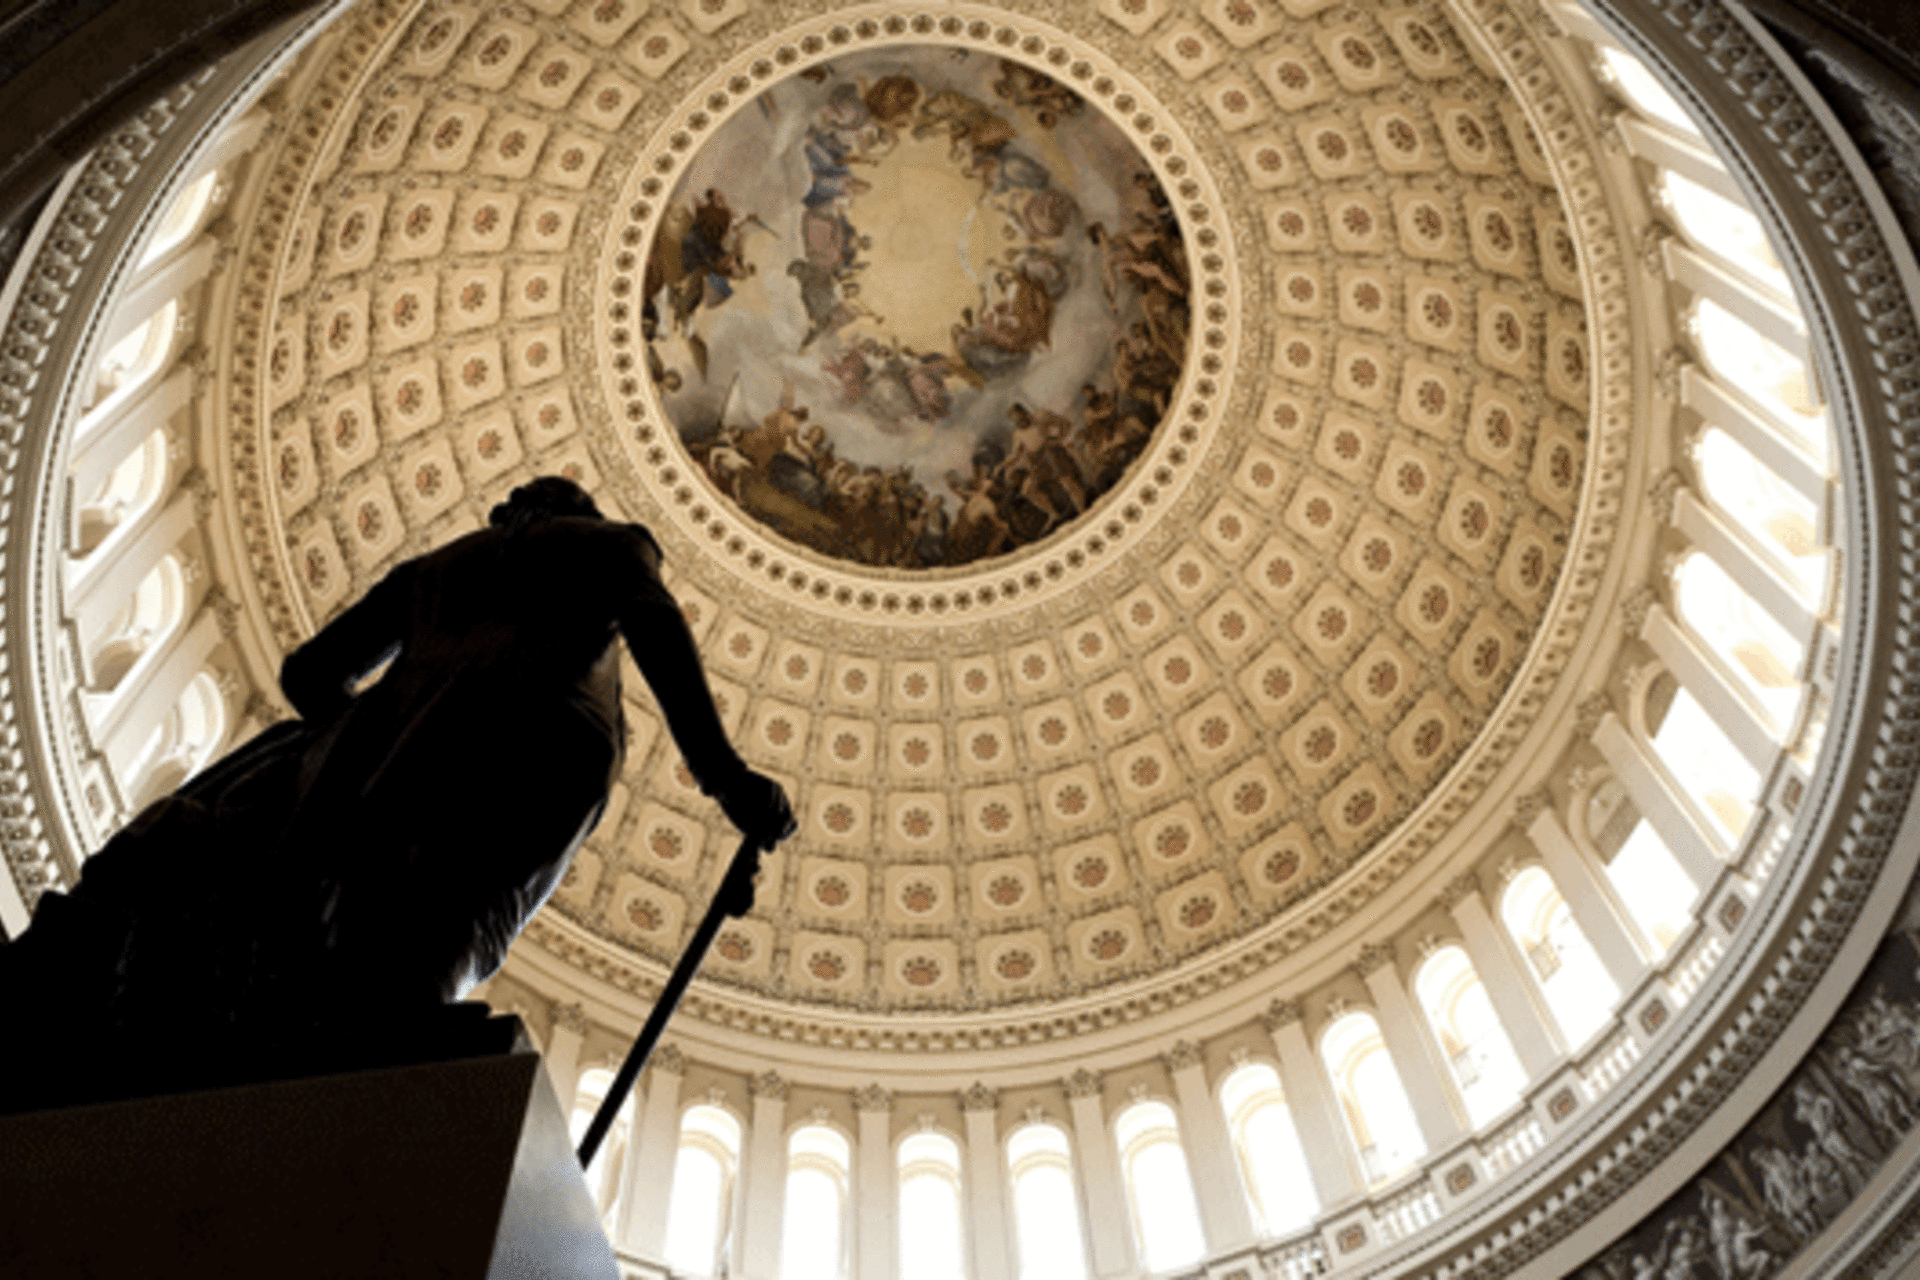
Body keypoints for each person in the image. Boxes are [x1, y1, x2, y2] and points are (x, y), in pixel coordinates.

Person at [3, 477, 796, 1055]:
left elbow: (311, 672)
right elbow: (653, 622)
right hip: (535, 759)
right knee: (442, 942)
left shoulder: (438, 567)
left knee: (355, 939)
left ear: (514, 509)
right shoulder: (609, 545)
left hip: (377, 769)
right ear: (579, 511)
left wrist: (363, 734)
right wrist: (724, 776)